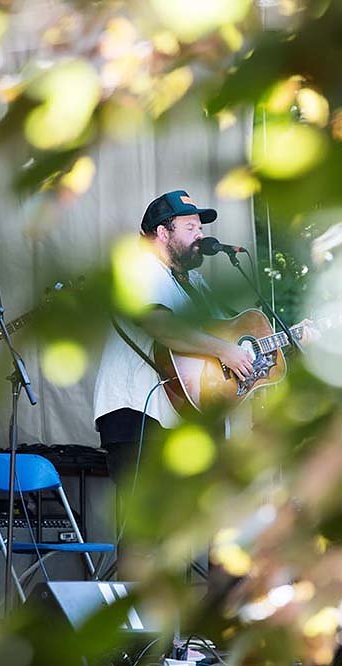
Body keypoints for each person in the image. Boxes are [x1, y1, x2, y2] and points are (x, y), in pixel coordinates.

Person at [93, 190, 256, 482]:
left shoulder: (192, 280)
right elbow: (162, 327)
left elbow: (227, 333)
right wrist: (224, 350)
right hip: (137, 415)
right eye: (190, 227)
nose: (200, 235)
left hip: (174, 415)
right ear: (162, 232)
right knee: (144, 525)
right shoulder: (139, 268)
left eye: (201, 228)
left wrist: (286, 339)